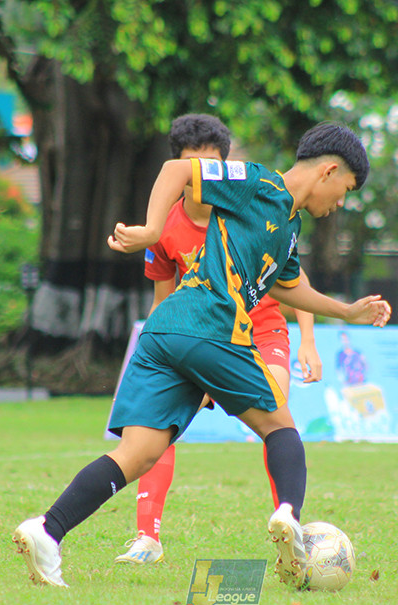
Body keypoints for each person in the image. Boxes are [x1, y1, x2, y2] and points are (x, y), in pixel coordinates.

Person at [13, 121, 391, 589]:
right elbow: (176, 169)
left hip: (165, 332)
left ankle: (48, 531)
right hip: (210, 325)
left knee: (139, 453)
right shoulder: (257, 181)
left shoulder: (287, 228)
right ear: (329, 171)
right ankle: (292, 521)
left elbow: (291, 287)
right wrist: (153, 230)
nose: (340, 203)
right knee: (280, 425)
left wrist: (346, 312)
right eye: (346, 190)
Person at [115, 114, 323, 565]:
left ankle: (289, 527)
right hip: (198, 333)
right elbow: (162, 298)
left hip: (261, 328)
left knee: (275, 415)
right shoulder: (166, 226)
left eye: (210, 164)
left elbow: (292, 277)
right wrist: (160, 356)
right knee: (157, 429)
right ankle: (146, 537)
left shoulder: (246, 202)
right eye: (192, 165)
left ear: (223, 166)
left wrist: (307, 339)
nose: (201, 175)